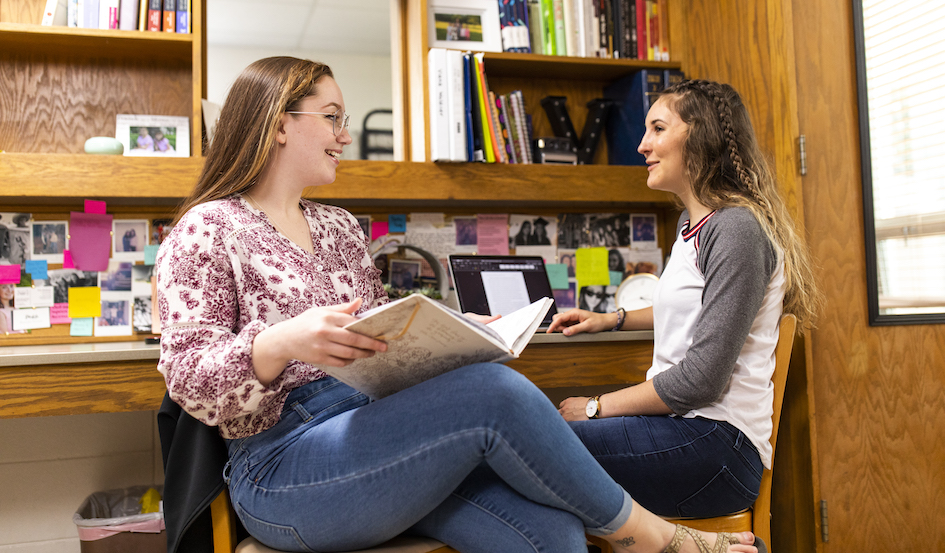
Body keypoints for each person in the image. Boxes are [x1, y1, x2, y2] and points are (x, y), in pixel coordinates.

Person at [156, 57, 763, 553]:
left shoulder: (338, 228)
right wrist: (280, 342)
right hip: (285, 465)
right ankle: (652, 537)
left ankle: (629, 532)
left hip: (377, 433)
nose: (346, 134)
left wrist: (445, 332)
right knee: (493, 393)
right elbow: (188, 379)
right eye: (333, 117)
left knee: (552, 535)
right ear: (278, 122)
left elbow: (378, 349)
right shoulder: (209, 229)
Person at [548, 79, 821, 521]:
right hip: (683, 430)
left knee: (533, 447)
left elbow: (700, 382)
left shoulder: (735, 230)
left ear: (700, 135)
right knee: (531, 450)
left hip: (718, 448)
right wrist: (611, 319)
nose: (641, 145)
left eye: (657, 128)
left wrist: (596, 408)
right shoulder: (691, 225)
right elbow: (695, 311)